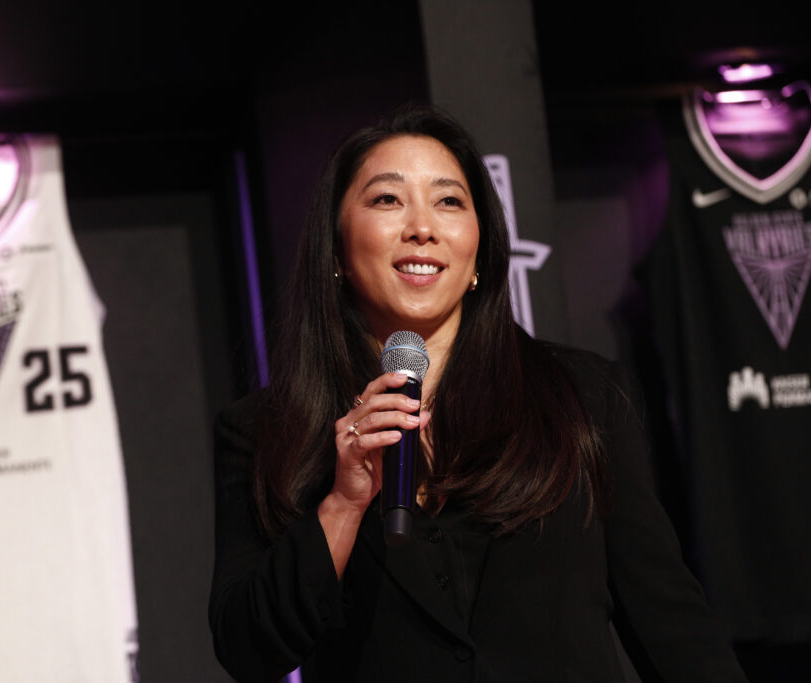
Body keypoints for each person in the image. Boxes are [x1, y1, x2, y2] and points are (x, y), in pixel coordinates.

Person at [209, 104, 747, 682]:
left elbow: (670, 625)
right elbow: (249, 650)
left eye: (449, 201)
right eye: (387, 200)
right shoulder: (268, 430)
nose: (422, 226)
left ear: (478, 254)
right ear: (337, 251)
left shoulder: (584, 398)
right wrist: (342, 503)